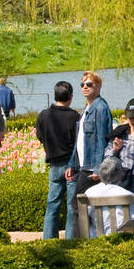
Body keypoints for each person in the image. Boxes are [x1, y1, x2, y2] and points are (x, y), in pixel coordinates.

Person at [69, 70, 113, 237]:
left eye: (89, 84)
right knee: (81, 205)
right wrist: (72, 164)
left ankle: (80, 242)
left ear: (98, 86)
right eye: (82, 85)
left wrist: (98, 169)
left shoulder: (100, 109)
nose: (85, 87)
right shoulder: (85, 110)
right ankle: (86, 239)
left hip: (91, 169)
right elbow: (79, 141)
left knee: (78, 204)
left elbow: (103, 140)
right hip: (82, 166)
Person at [37, 81, 81, 239]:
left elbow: (40, 136)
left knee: (52, 205)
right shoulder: (74, 116)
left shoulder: (44, 115)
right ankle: (69, 241)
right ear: (70, 96)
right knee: (71, 207)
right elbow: (79, 143)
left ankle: (48, 240)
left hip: (54, 165)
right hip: (71, 166)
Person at [82, 156, 134, 237]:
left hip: (96, 239)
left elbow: (85, 219)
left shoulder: (89, 192)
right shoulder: (127, 195)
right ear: (119, 174)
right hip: (123, 239)